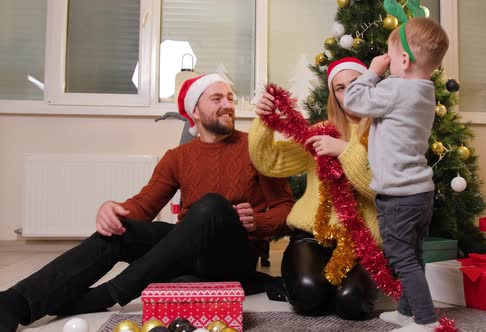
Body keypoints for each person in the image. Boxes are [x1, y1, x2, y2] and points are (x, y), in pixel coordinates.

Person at [0, 74, 294, 332]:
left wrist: (259, 221)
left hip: (231, 254)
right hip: (182, 254)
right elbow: (144, 206)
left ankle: (109, 294)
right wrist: (112, 210)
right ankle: (15, 303)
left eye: (230, 98)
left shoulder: (255, 148)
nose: (228, 105)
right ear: (194, 110)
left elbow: (287, 208)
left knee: (212, 206)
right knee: (121, 231)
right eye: (216, 98)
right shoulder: (177, 157)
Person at [249, 57, 379, 320]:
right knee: (309, 295)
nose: (349, 93)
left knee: (352, 303)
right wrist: (265, 120)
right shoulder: (322, 131)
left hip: (362, 243)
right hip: (312, 237)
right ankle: (304, 281)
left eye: (356, 83)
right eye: (340, 88)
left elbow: (380, 187)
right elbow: (270, 162)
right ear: (334, 96)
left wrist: (343, 150)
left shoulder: (385, 133)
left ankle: (338, 286)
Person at [343, 18, 449, 331]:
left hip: (399, 195)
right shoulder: (425, 91)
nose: (386, 64)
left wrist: (372, 71)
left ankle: (426, 320)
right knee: (413, 255)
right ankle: (407, 312)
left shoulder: (394, 88)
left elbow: (353, 101)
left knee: (402, 258)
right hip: (420, 192)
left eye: (390, 56)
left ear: (403, 60)